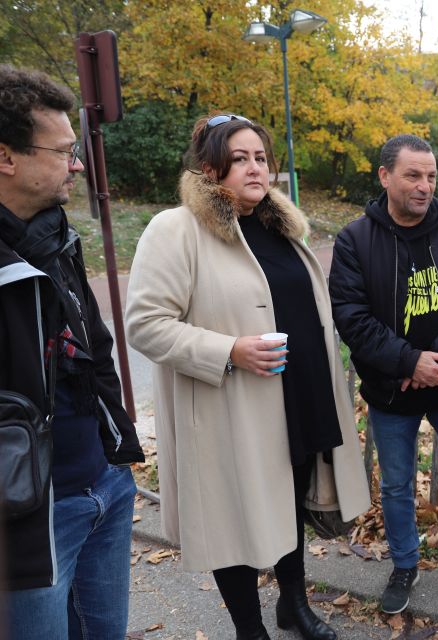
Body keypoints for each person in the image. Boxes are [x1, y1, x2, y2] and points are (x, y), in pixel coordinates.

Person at [125, 113, 370, 640]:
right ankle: (248, 628)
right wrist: (228, 350)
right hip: (229, 409)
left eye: (260, 157)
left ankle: (294, 606)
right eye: (240, 158)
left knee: (287, 502)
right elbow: (145, 325)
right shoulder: (177, 229)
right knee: (231, 519)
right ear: (211, 168)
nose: (255, 168)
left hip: (297, 398)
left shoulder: (278, 227)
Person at [328, 134, 438, 615]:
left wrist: (434, 363)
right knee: (395, 484)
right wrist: (409, 363)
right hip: (392, 389)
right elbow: (351, 315)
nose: (424, 185)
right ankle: (405, 563)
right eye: (413, 175)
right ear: (385, 176)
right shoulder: (354, 241)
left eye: (430, 176)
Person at [0, 64, 144, 639]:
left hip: (103, 486)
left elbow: (95, 350)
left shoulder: (56, 236)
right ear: (6, 157)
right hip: (28, 520)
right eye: (62, 151)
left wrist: (116, 461)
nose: (78, 163)